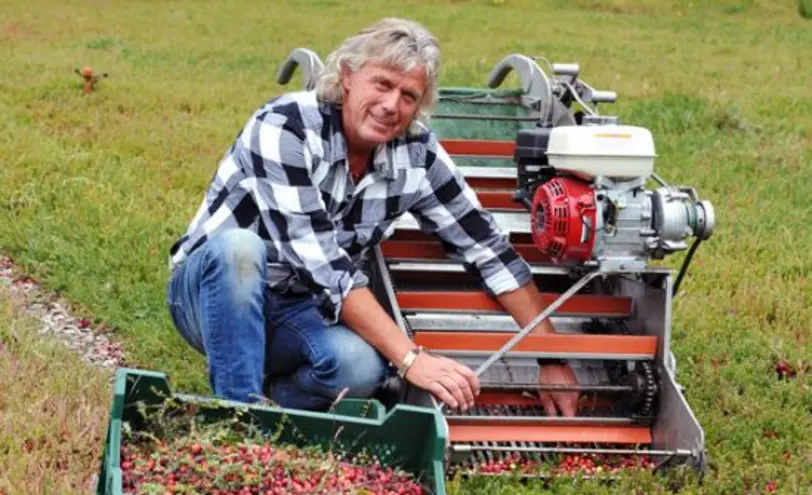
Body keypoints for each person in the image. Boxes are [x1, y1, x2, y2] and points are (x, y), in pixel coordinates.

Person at [167, 18, 579, 416]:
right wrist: (410, 358)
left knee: (361, 368)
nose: (390, 105)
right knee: (239, 248)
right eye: (382, 84)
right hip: (212, 297)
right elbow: (324, 266)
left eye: (408, 95)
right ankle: (239, 418)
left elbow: (488, 248)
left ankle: (279, 406)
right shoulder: (284, 127)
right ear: (347, 77)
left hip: (297, 308)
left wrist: (551, 356)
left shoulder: (417, 154)